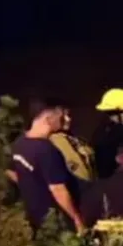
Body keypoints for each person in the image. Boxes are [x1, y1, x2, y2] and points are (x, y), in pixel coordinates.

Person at [5, 97, 86, 235]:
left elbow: (10, 171)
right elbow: (58, 189)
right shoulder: (46, 150)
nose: (66, 120)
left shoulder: (20, 144)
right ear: (49, 118)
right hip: (55, 221)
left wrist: (31, 187)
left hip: (35, 218)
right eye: (61, 116)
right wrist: (76, 219)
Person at [49, 106, 95, 189]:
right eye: (64, 116)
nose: (68, 119)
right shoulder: (51, 142)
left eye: (69, 115)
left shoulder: (77, 139)